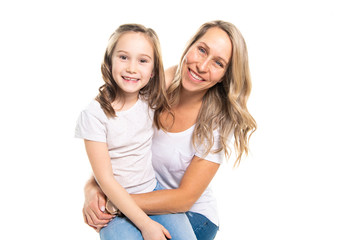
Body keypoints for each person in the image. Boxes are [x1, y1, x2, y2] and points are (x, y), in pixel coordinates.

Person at [82, 20, 257, 240]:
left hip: (191, 214)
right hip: (134, 197)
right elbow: (119, 148)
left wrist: (115, 203)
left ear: (225, 76)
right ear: (190, 45)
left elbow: (184, 199)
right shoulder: (159, 83)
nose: (202, 66)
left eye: (218, 63)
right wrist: (92, 189)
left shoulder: (217, 123)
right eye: (202, 50)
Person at [75, 23, 197, 240]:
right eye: (123, 57)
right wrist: (146, 225)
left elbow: (184, 68)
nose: (132, 68)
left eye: (142, 61)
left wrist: (201, 58)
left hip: (153, 192)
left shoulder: (149, 98)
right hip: (115, 204)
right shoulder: (94, 115)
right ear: (109, 61)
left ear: (152, 72)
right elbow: (105, 179)